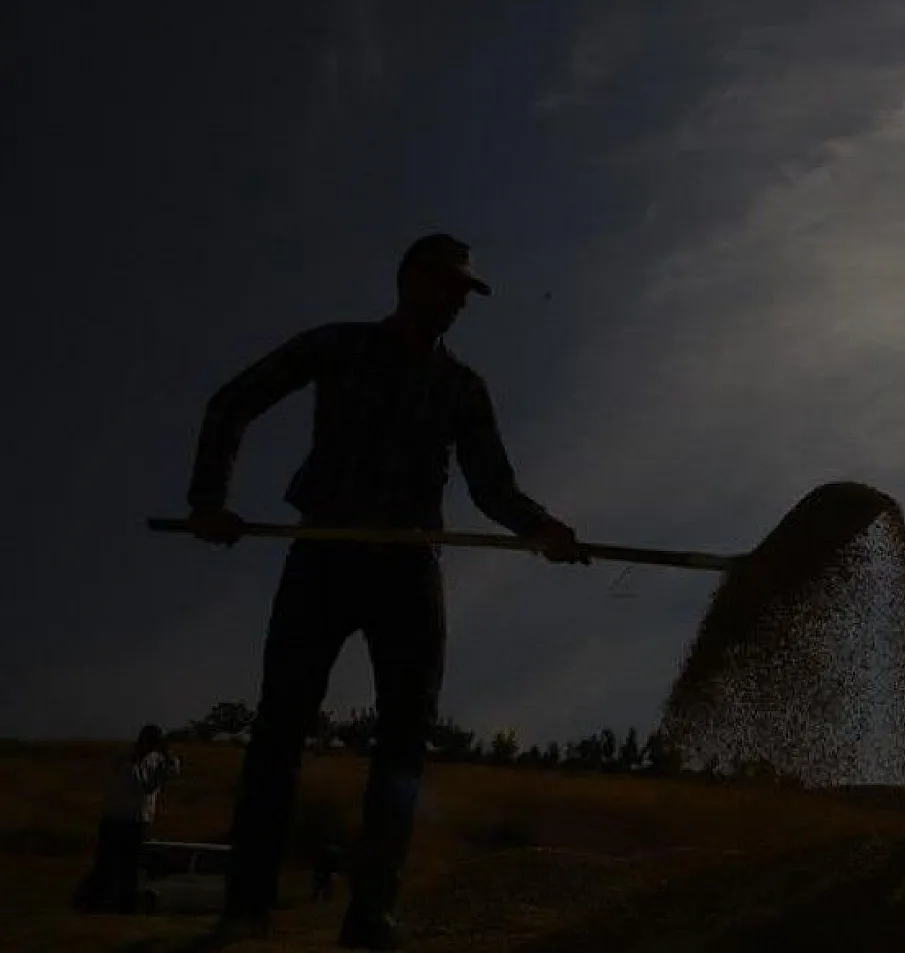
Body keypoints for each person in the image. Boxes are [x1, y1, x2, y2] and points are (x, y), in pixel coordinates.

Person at [183, 235, 588, 950]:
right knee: (279, 731)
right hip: (326, 553)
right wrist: (209, 499)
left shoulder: (463, 387)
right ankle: (247, 907)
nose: (458, 301)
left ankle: (373, 913)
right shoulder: (337, 345)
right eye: (447, 285)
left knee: (403, 744)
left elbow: (491, 485)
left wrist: (543, 528)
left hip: (409, 566)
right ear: (408, 280)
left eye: (465, 291)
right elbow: (233, 403)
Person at [80, 725, 183, 913]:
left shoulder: (155, 759)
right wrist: (155, 777)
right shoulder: (125, 757)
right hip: (117, 816)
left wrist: (168, 755)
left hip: (138, 818)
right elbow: (138, 783)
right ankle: (97, 902)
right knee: (108, 862)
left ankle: (124, 904)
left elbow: (173, 771)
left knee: (131, 864)